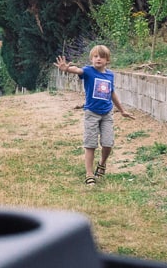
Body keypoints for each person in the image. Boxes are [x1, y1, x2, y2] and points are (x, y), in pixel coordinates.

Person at [55, 46, 133, 186]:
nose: (98, 59)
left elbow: (112, 92)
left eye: (102, 57)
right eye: (96, 56)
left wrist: (122, 110)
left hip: (107, 113)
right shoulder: (88, 71)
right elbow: (78, 70)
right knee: (90, 144)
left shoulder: (110, 75)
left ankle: (102, 164)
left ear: (107, 60)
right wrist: (66, 69)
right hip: (91, 113)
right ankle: (89, 173)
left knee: (108, 143)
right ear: (91, 59)